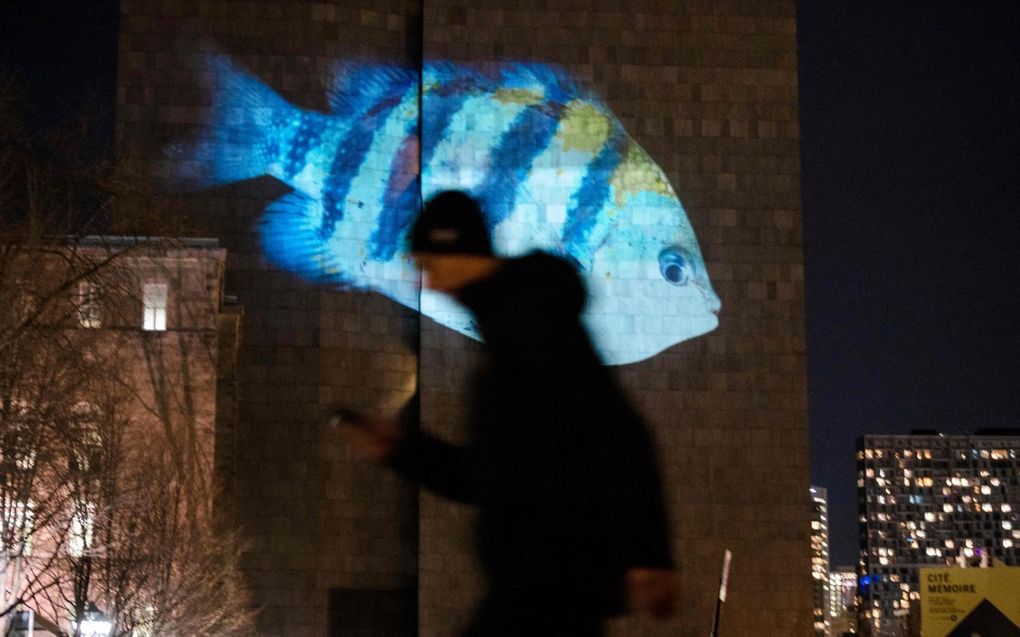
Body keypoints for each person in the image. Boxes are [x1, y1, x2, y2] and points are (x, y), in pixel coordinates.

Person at [346, 190, 676, 636]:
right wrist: (401, 451)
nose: (430, 284)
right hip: (537, 585)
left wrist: (649, 556)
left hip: (553, 585)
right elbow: (487, 476)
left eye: (428, 267)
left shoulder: (533, 320)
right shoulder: (507, 331)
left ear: (456, 253)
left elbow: (617, 430)